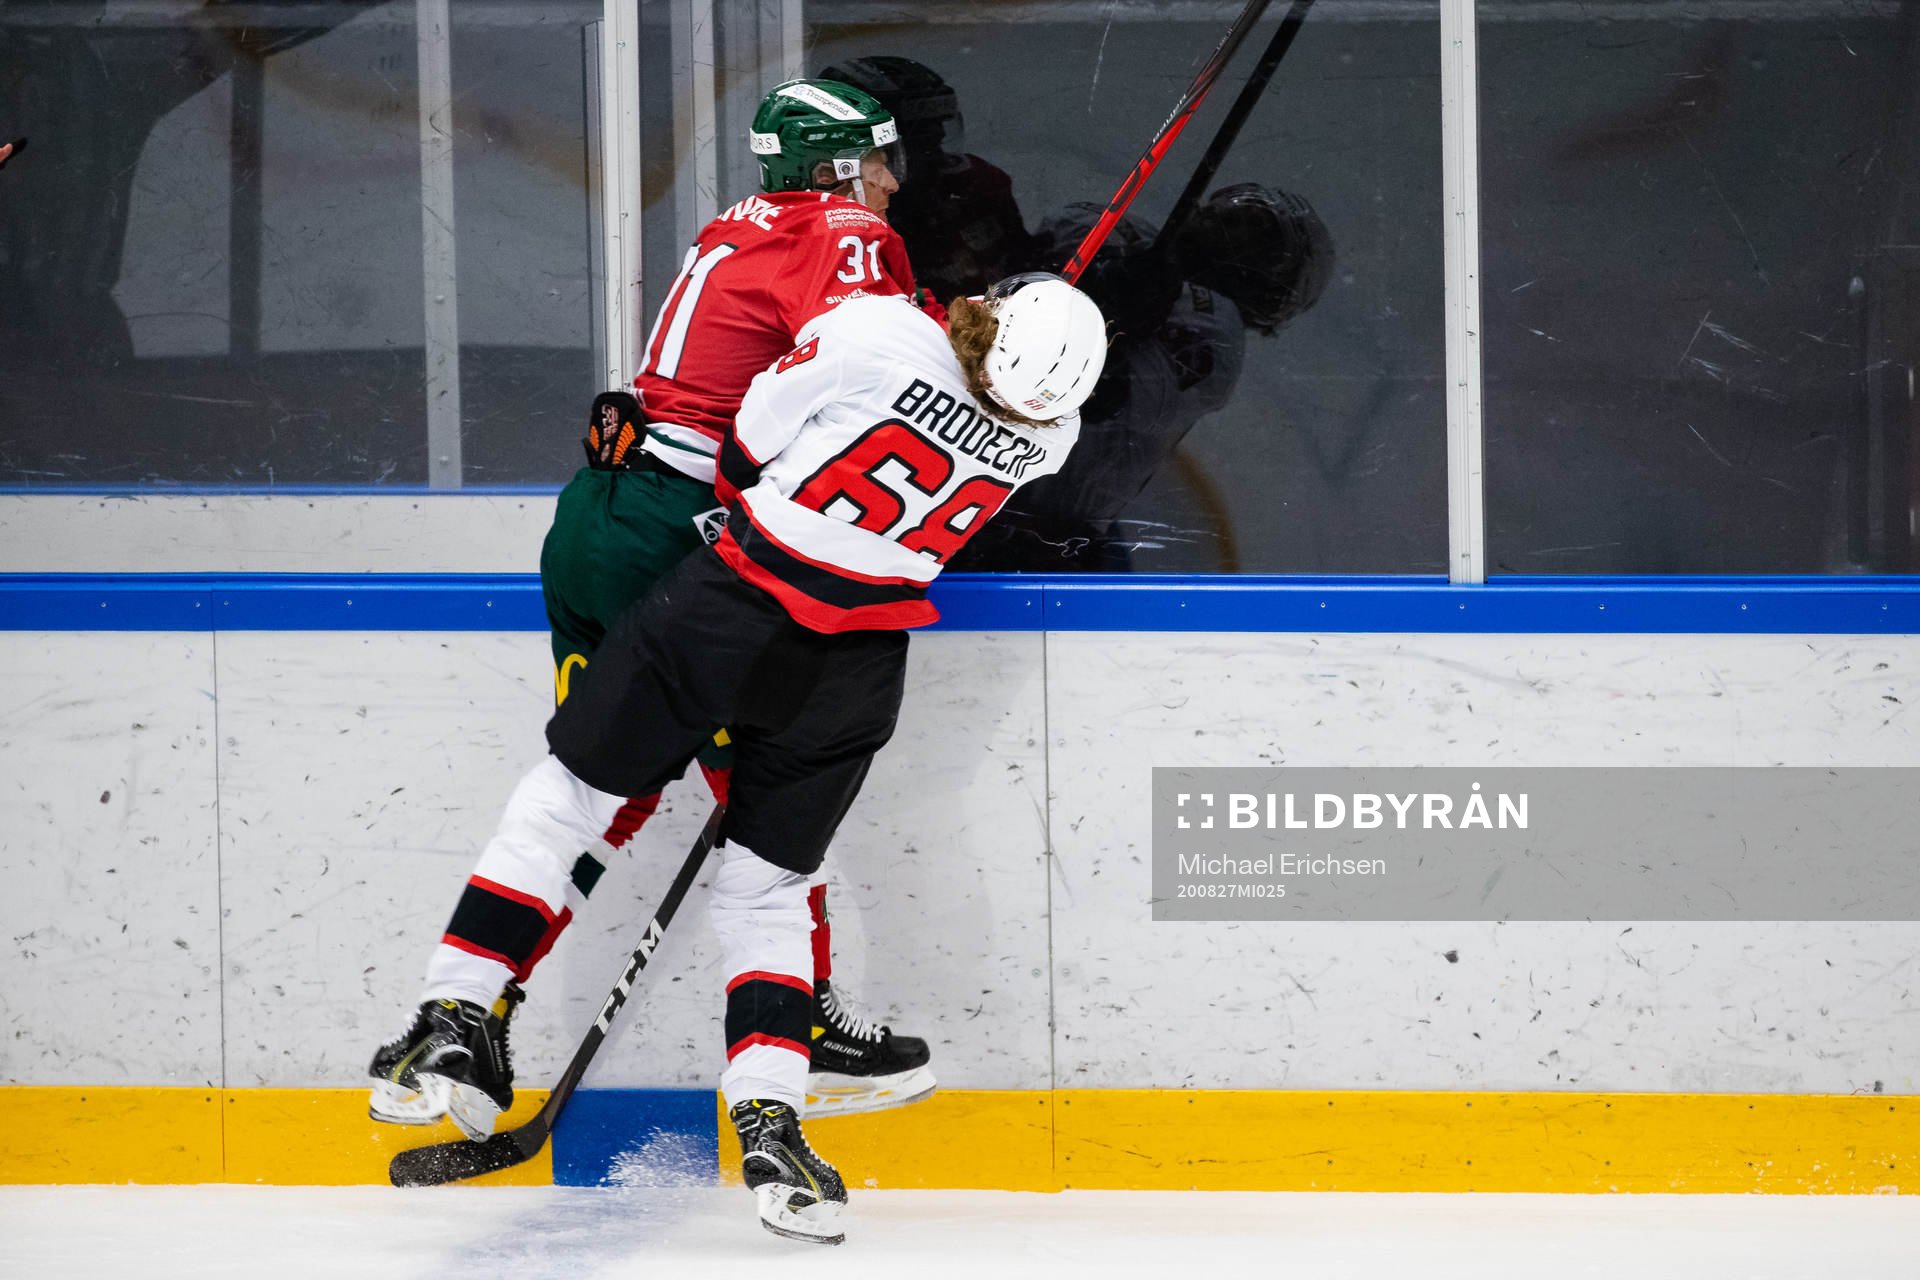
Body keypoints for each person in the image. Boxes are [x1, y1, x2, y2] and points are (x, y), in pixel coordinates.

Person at [401, 274, 1107, 1244]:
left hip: (731, 605)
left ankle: (455, 1016)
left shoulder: (876, 330)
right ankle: (773, 1126)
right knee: (771, 890)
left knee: (568, 800)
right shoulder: (1049, 439)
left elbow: (744, 446)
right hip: (855, 665)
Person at [367, 79, 936, 1144]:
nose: (893, 182)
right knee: (765, 815)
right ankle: (795, 1025)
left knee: (588, 787)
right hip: (691, 533)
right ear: (836, 169)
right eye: (881, 159)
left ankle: (457, 1014)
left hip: (601, 516)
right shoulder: (850, 234)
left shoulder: (743, 225)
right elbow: (886, 380)